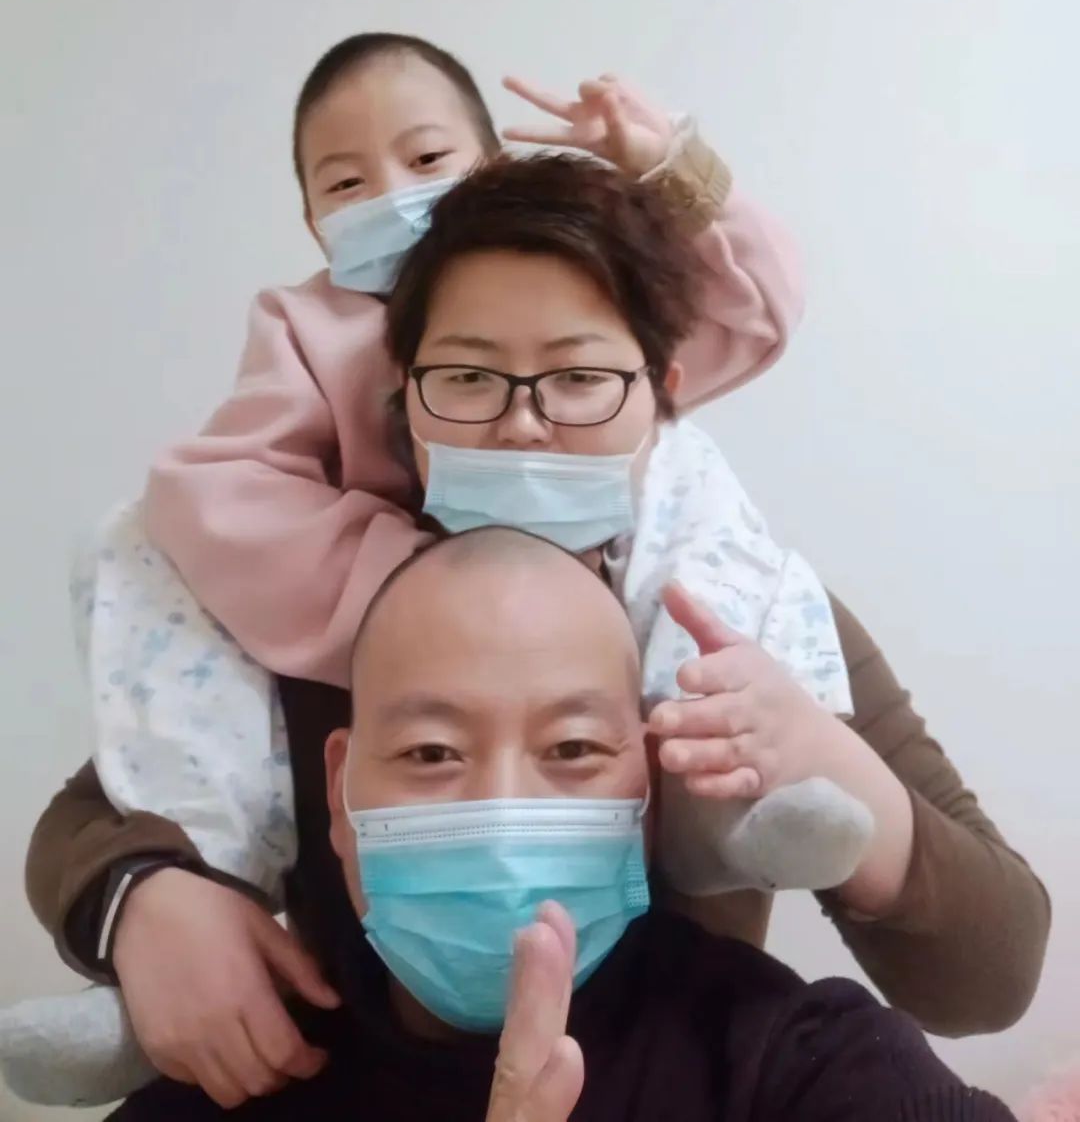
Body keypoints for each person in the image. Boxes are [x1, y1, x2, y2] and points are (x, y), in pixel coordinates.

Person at [12, 158, 1048, 1113]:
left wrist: (838, 767)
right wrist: (143, 895)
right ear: (406, 399)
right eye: (468, 377)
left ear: (662, 393)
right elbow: (109, 799)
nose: (522, 424)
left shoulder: (745, 611)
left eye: (579, 377)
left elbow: (990, 971)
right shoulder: (323, 606)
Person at [2, 39, 805, 1107]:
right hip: (351, 1031)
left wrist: (674, 169)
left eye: (426, 158)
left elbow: (754, 314)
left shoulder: (618, 367)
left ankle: (753, 826)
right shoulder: (309, 326)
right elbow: (210, 489)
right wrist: (416, 587)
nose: (390, 195)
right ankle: (159, 999)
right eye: (345, 181)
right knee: (134, 553)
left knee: (708, 551)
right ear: (311, 221)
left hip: (674, 1042)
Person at [105, 528, 1015, 1121]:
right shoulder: (226, 1087)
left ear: (649, 790)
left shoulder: (786, 1060)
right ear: (341, 788)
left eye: (573, 748)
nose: (500, 814)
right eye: (431, 752)